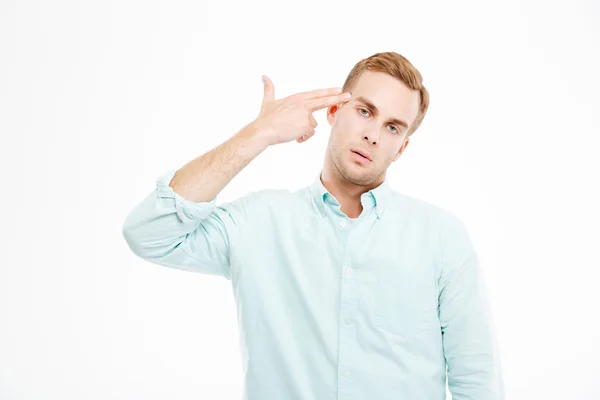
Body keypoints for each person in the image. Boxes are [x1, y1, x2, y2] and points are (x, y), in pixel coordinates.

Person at [122, 51, 504, 399]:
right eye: (365, 111)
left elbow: (477, 381)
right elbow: (149, 233)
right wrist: (259, 134)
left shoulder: (441, 237)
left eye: (392, 127)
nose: (372, 134)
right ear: (335, 112)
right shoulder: (261, 222)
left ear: (401, 148)